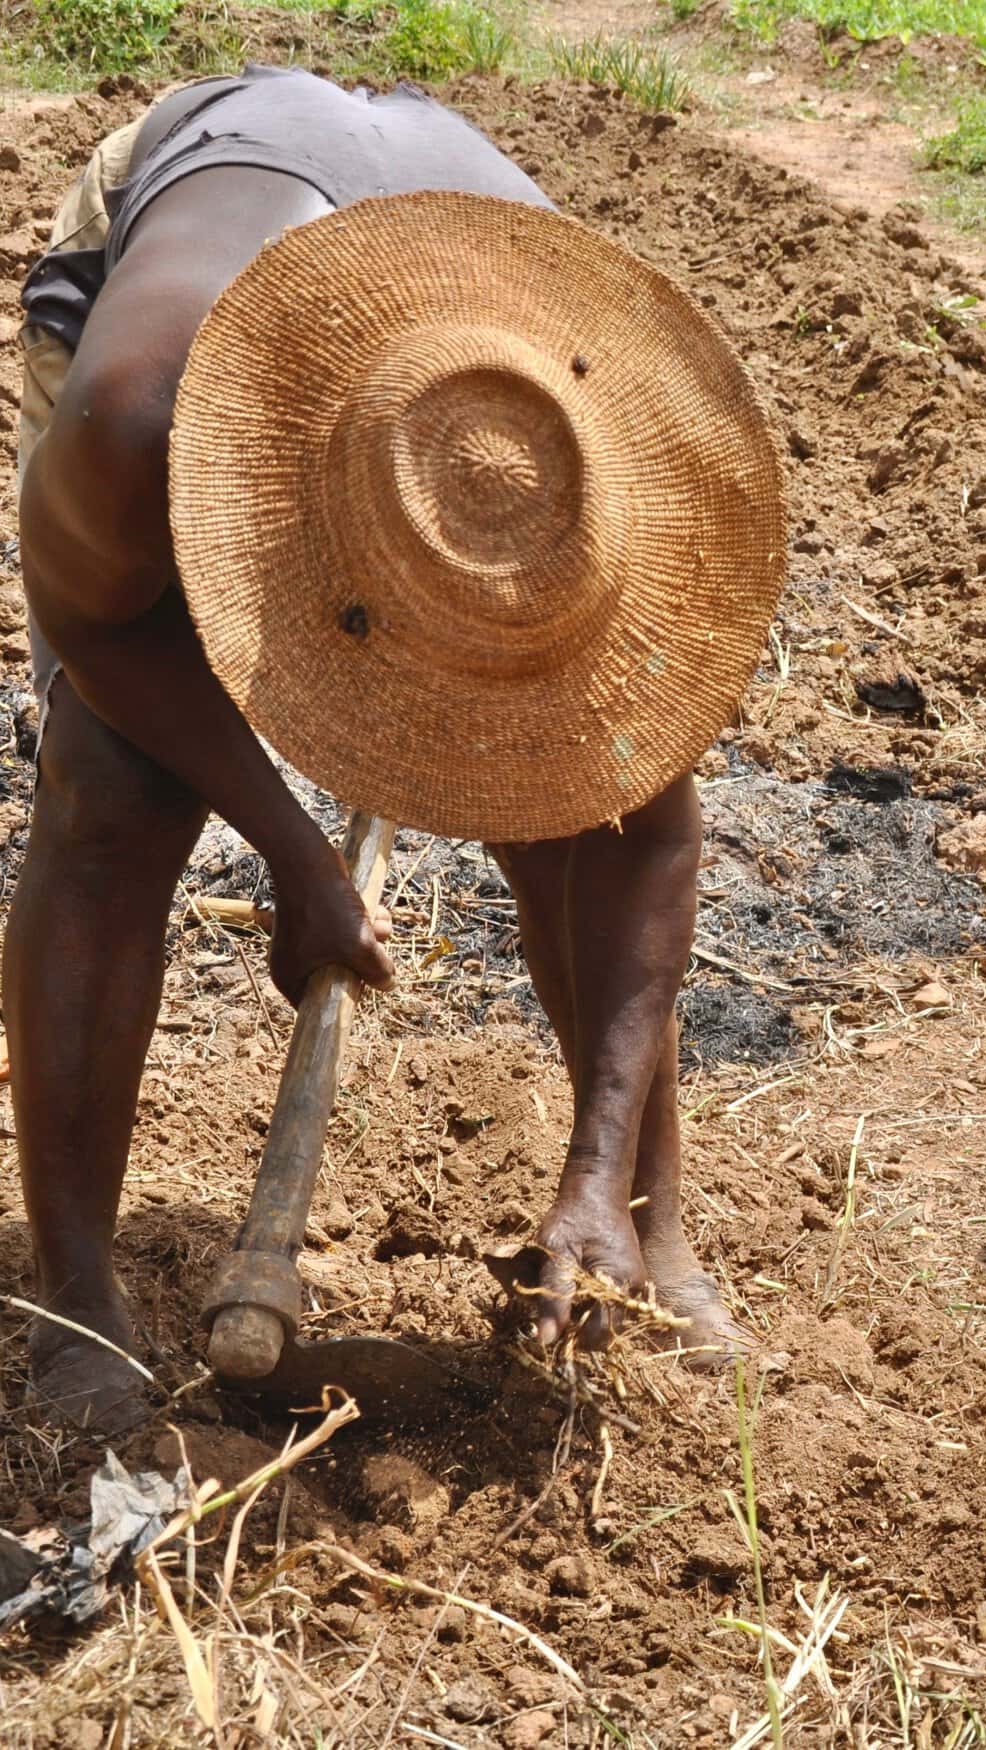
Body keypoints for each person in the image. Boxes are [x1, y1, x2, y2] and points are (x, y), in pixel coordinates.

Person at [10, 65, 786, 1432]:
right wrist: (295, 849)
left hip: (457, 219)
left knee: (570, 799)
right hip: (205, 199)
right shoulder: (146, 412)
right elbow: (99, 621)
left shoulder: (589, 458)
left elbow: (645, 831)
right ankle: (74, 1296)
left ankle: (640, 1219)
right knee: (115, 790)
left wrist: (592, 1166)